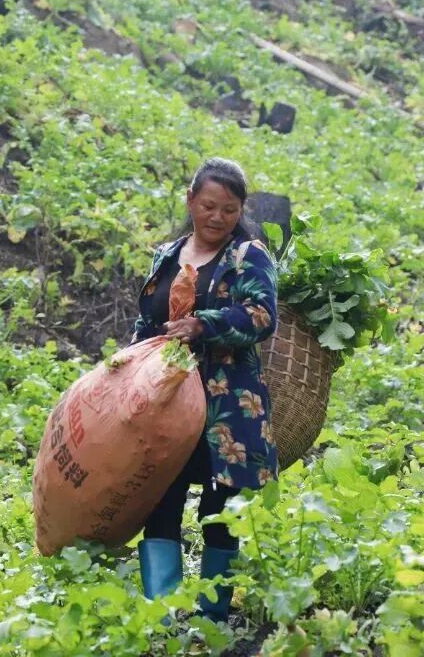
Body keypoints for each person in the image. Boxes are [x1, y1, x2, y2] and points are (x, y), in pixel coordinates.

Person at [129, 157, 279, 622]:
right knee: (160, 499)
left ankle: (213, 619)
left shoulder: (248, 255)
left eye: (229, 210)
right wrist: (125, 366)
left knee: (220, 510)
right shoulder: (167, 255)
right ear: (191, 199)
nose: (217, 217)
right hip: (167, 401)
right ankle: (163, 617)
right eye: (209, 206)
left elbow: (262, 316)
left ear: (240, 211)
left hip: (226, 407)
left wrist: (203, 324)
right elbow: (147, 323)